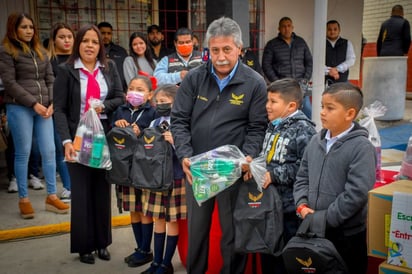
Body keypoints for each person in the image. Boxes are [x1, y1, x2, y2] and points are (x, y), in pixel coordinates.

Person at [170, 17, 268, 273]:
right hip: (197, 168)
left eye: (227, 49)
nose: (221, 56)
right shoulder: (194, 79)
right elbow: (178, 120)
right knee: (197, 232)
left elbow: (257, 127)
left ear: (239, 49)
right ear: (207, 50)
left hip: (232, 170)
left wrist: (247, 156)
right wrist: (185, 156)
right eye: (215, 50)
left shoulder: (255, 83)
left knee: (231, 232)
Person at [53, 24, 124, 264]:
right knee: (81, 191)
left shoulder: (109, 67)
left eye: (95, 42)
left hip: (102, 135)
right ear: (77, 44)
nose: (90, 46)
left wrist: (104, 106)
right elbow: (60, 110)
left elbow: (119, 97)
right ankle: (84, 246)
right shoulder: (66, 71)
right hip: (77, 137)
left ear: (100, 46)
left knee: (102, 190)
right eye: (85, 41)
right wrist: (66, 140)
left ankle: (102, 243)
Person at [293, 82, 376, 274]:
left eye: (330, 108)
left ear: (349, 114)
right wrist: (302, 205)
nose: (322, 112)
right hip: (311, 229)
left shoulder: (361, 148)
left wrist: (322, 219)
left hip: (345, 236)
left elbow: (356, 193)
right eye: (322, 106)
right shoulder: (315, 141)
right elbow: (302, 177)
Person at [0, 12, 69, 219]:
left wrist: (51, 103)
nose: (29, 31)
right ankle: (24, 198)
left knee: (49, 151)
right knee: (24, 153)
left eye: (31, 27)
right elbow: (10, 84)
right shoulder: (6, 51)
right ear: (14, 29)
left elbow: (50, 79)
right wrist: (33, 103)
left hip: (45, 108)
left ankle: (51, 196)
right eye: (24, 27)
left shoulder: (40, 51)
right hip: (19, 107)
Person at [249, 78, 316, 273]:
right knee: (269, 254)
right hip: (269, 205)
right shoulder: (272, 126)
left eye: (273, 102)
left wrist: (274, 175)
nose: (267, 106)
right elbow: (268, 156)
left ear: (291, 105)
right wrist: (254, 168)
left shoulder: (304, 130)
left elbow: (306, 168)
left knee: (286, 259)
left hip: (288, 209)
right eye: (267, 101)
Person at [111, 75, 157, 268]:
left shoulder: (152, 113)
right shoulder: (119, 111)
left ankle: (146, 249)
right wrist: (116, 125)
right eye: (131, 88)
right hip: (124, 169)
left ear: (149, 95)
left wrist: (144, 130)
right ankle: (139, 248)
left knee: (144, 209)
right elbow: (111, 134)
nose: (134, 93)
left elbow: (157, 138)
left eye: (140, 90)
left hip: (143, 168)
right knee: (133, 210)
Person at [140, 84, 186, 274]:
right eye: (157, 101)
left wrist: (175, 141)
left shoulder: (182, 123)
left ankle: (166, 264)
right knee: (158, 219)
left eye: (164, 102)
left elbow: (188, 150)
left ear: (176, 103)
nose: (159, 105)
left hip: (175, 177)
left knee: (171, 222)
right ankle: (156, 263)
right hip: (156, 179)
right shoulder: (154, 122)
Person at [262, 17, 313, 119]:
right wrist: (277, 82)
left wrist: (305, 80)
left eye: (289, 26)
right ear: (279, 28)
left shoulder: (300, 42)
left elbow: (309, 62)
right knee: (283, 113)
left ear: (292, 27)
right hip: (282, 86)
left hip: (300, 85)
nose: (286, 28)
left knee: (307, 110)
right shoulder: (272, 44)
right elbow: (266, 65)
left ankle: (308, 133)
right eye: (284, 26)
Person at [47, 22, 75, 202]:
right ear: (54, 40)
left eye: (69, 37)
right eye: (61, 37)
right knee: (61, 147)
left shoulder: (77, 60)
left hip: (78, 110)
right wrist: (52, 103)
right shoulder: (49, 60)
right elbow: (48, 83)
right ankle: (68, 187)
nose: (66, 40)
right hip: (57, 109)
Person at [98, 21, 129, 89]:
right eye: (103, 33)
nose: (106, 36)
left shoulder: (121, 52)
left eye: (109, 33)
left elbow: (127, 72)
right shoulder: (94, 52)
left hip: (120, 90)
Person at [325, 20, 356, 84]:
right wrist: (329, 71)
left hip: (342, 81)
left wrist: (337, 69)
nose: (332, 31)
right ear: (325, 30)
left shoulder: (347, 43)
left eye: (335, 29)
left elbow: (351, 60)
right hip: (323, 82)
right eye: (329, 29)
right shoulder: (320, 43)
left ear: (339, 30)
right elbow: (317, 61)